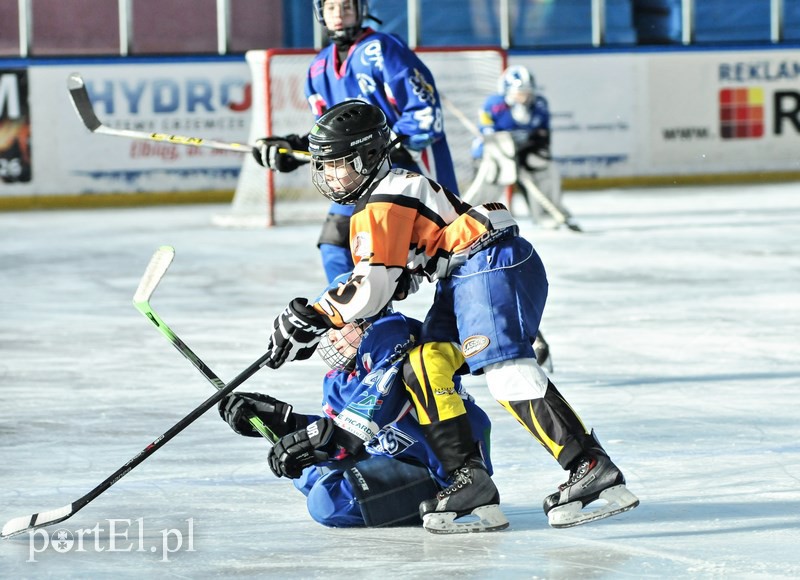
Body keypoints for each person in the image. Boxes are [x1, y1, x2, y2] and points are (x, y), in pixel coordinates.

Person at [259, 101, 639, 532]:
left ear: (366, 158)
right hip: (461, 276)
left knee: (504, 369)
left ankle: (589, 465)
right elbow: (394, 281)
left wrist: (314, 315)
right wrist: (313, 322)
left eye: (338, 164)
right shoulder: (388, 195)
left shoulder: (383, 200)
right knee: (424, 364)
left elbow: (371, 287)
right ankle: (469, 480)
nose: (328, 176)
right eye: (324, 166)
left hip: (487, 263)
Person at [218, 310, 507, 532]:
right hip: (395, 459)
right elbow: (338, 432)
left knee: (326, 502)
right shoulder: (338, 381)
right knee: (308, 474)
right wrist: (281, 421)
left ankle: (455, 493)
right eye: (329, 330)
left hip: (435, 470)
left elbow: (356, 427)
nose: (331, 337)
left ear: (367, 324)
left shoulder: (395, 344)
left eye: (341, 327)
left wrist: (316, 439)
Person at [251, 0, 459, 284]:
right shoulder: (317, 69)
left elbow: (426, 115)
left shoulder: (384, 50)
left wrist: (379, 144)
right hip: (358, 176)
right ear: (320, 13)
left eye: (346, 7)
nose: (338, 15)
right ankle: (358, 324)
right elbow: (331, 135)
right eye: (331, 8)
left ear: (360, 11)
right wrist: (296, 146)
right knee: (336, 245)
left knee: (451, 256)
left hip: (411, 171)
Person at [468, 65, 579, 233]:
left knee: (544, 167)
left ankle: (548, 213)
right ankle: (472, 219)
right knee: (490, 178)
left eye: (526, 92)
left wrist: (529, 150)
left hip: (525, 150)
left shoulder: (539, 105)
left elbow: (543, 137)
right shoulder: (494, 105)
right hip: (495, 153)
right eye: (518, 92)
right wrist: (506, 152)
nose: (523, 96)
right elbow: (487, 134)